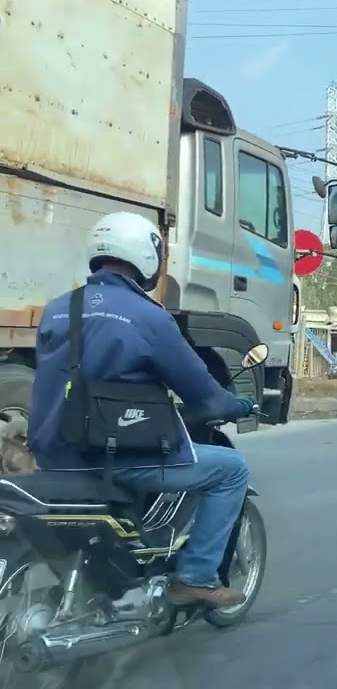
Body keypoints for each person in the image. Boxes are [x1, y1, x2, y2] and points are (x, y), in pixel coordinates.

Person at [26, 212, 255, 608]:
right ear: (147, 256)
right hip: (116, 458)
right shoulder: (149, 316)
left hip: (53, 454)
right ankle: (196, 578)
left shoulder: (57, 308)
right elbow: (205, 395)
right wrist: (239, 405)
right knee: (231, 470)